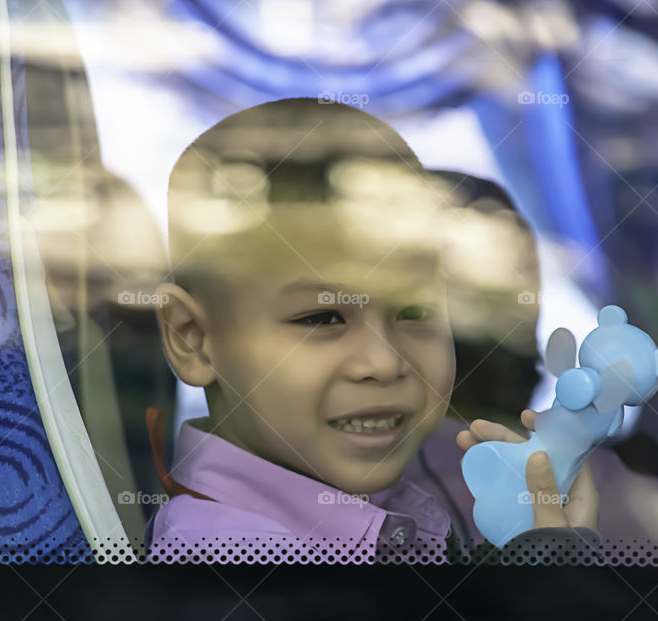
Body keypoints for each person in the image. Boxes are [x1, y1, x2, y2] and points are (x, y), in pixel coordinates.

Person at [144, 98, 599, 562]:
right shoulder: (225, 556)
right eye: (322, 318)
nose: (384, 362)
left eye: (416, 313)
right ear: (192, 338)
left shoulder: (390, 521)